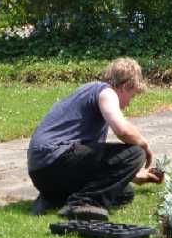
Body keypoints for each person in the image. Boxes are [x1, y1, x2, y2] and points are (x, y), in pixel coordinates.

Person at [27, 57, 159, 218]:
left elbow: (95, 163)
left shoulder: (88, 92)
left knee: (125, 193)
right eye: (132, 96)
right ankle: (83, 204)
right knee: (135, 153)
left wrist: (132, 174)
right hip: (55, 158)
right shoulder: (106, 92)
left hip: (42, 172)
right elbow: (122, 130)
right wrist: (145, 146)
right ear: (124, 87)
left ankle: (54, 198)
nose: (130, 103)